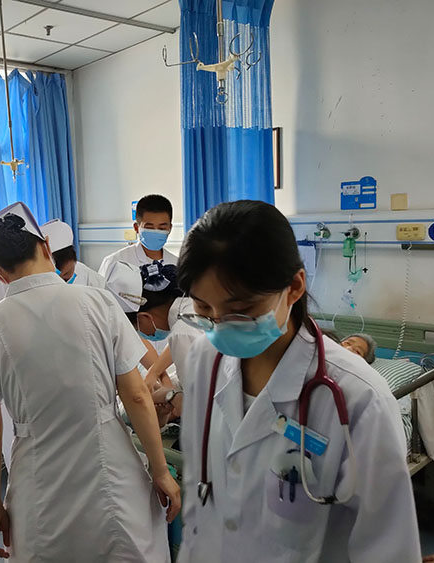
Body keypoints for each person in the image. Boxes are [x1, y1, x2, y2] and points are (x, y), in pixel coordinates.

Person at [176, 200, 420, 562]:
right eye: (203, 309)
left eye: (240, 311)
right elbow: (198, 497)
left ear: (294, 287)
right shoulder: (203, 360)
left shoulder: (359, 399)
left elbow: (389, 549)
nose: (220, 326)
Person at [0, 202, 181, 562]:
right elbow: (137, 397)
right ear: (46, 247)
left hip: (38, 478)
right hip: (109, 467)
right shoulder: (97, 303)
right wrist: (160, 471)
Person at [98, 194, 177, 276]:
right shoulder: (115, 263)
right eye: (149, 228)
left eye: (162, 228)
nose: (156, 232)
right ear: (136, 227)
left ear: (170, 228)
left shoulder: (177, 265)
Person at [42, 219, 106, 288]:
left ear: (74, 261)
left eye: (67, 274)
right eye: (57, 277)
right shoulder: (39, 280)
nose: (63, 281)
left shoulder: (87, 275)